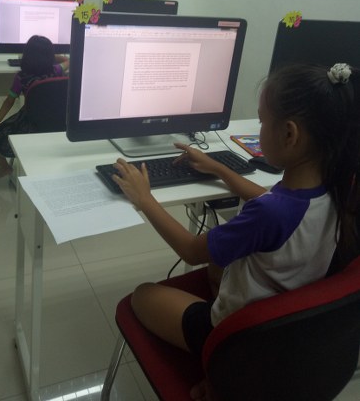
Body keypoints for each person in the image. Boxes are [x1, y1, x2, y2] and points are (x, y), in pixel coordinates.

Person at [112, 63, 360, 400]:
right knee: (219, 263)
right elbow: (270, 203)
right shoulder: (335, 190)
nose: (259, 129)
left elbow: (190, 250)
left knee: (142, 295)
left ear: (289, 134)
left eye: (262, 121)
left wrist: (145, 198)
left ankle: (217, 376)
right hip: (286, 329)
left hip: (234, 338)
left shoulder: (270, 213)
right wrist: (220, 169)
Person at [0, 35, 67, 179]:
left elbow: (9, 102)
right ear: (50, 56)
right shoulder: (57, 70)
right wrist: (51, 55)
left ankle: (5, 168)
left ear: (26, 56)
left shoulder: (20, 77)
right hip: (56, 123)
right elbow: (66, 60)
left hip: (29, 122)